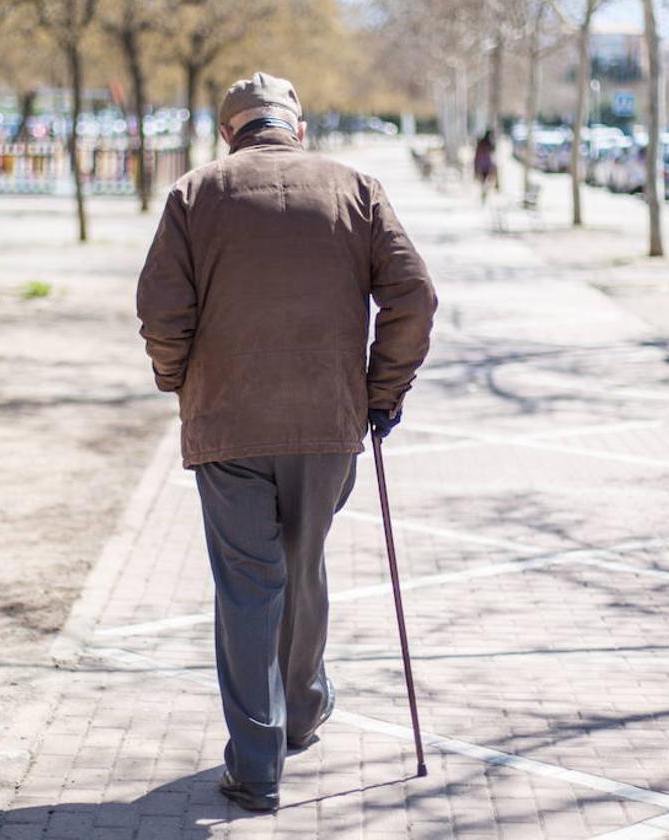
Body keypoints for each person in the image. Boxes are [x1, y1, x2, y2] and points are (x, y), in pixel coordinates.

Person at [136, 72, 437, 812]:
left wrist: (182, 381)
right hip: (327, 422)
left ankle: (257, 763)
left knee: (247, 586)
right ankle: (301, 711)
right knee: (302, 565)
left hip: (228, 423)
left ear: (228, 132)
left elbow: (161, 310)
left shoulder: (195, 194)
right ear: (296, 127)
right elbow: (415, 296)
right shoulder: (354, 188)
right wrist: (380, 391)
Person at [474, 130, 497, 203]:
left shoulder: (483, 143)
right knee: (486, 181)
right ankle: (484, 194)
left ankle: (484, 193)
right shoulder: (488, 144)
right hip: (486, 165)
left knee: (484, 181)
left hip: (483, 165)